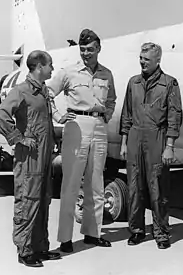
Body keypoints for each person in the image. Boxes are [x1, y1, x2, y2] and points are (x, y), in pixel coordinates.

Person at [46, 29, 117, 253]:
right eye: (82, 49)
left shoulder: (107, 74)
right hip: (76, 126)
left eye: (90, 49)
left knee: (96, 183)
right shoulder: (69, 72)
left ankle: (92, 233)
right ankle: (65, 238)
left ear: (98, 49)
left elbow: (112, 98)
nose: (86, 53)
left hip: (99, 127)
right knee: (70, 184)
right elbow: (46, 93)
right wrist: (58, 116)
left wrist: (108, 114)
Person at [0, 50, 61, 267]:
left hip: (44, 156)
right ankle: (24, 251)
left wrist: (52, 139)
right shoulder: (21, 91)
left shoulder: (42, 92)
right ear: (40, 66)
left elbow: (43, 120)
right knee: (28, 201)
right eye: (50, 65)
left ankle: (40, 247)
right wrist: (18, 138)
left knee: (43, 201)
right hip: (29, 159)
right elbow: (1, 115)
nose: (52, 69)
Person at [119, 42, 183, 249]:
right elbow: (126, 114)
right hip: (135, 137)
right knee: (134, 187)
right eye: (141, 58)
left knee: (158, 188)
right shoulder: (133, 83)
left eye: (146, 59)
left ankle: (161, 232)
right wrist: (124, 142)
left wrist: (169, 146)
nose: (142, 62)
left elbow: (175, 116)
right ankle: (137, 230)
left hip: (158, 136)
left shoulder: (169, 84)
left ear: (158, 61)